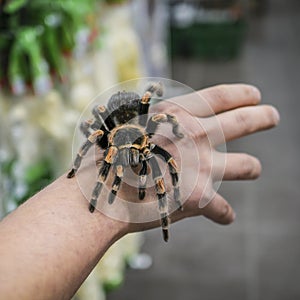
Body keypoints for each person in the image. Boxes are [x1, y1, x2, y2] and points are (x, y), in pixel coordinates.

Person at [0, 84, 279, 300]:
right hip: (117, 132)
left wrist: (178, 139)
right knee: (109, 150)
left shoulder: (148, 132)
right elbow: (97, 124)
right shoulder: (109, 141)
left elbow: (159, 121)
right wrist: (91, 186)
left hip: (134, 123)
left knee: (165, 161)